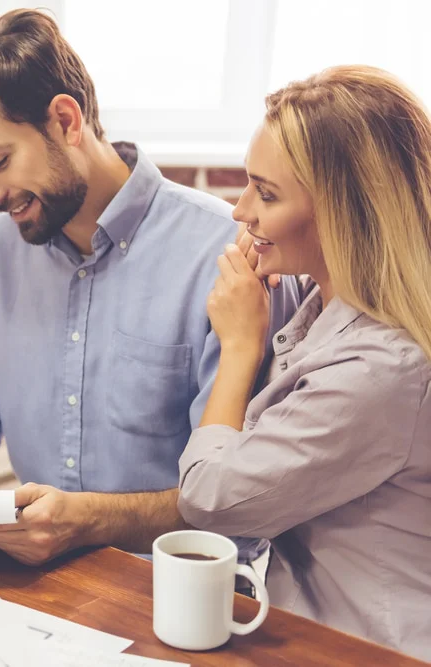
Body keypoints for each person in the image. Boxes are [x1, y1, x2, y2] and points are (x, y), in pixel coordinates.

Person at [0, 9, 298, 565]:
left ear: (65, 120)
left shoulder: (231, 259)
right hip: (41, 590)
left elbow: (239, 503)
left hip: (181, 591)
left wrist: (84, 524)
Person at [177, 65, 431, 659]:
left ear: (346, 211)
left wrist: (239, 346)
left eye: (266, 194)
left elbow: (209, 500)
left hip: (372, 648)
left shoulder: (382, 368)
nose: (241, 212)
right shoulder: (324, 308)